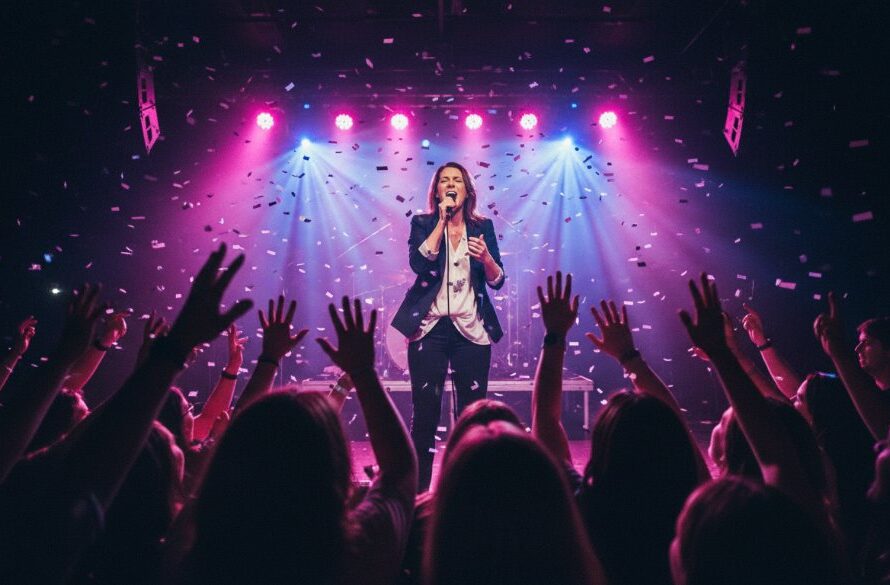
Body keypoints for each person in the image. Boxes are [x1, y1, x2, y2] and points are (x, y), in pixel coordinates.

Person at [391, 162, 506, 491]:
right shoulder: (423, 222)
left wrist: (486, 259)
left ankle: (469, 493)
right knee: (425, 415)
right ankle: (418, 494)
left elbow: (498, 280)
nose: (451, 184)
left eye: (457, 180)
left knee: (473, 417)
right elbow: (419, 263)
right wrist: (441, 222)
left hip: (471, 330)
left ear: (467, 190)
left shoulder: (482, 227)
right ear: (437, 190)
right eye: (444, 180)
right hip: (430, 330)